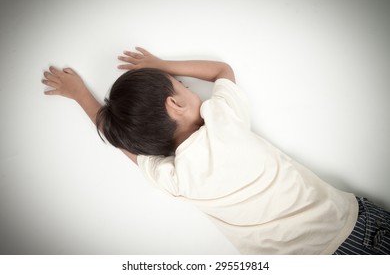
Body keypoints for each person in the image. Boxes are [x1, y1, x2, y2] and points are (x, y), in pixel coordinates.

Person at [41, 47, 390, 254]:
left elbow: (121, 145)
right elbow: (222, 70)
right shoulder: (224, 121)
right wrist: (161, 65)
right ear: (175, 104)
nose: (191, 89)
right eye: (183, 86)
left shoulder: (176, 179)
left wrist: (80, 95)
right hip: (352, 228)